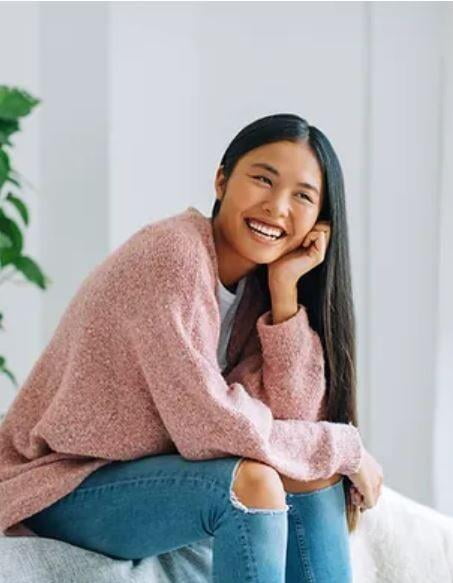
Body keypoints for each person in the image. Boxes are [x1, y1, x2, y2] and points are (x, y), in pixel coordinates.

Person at [0, 113, 383, 582]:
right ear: (221, 180)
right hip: (64, 482)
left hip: (148, 477)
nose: (277, 207)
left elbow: (293, 424)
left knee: (315, 477)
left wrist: (285, 298)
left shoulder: (254, 294)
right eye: (263, 179)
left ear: (318, 224)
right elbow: (209, 427)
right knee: (254, 484)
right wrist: (345, 446)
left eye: (302, 196)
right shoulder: (172, 255)